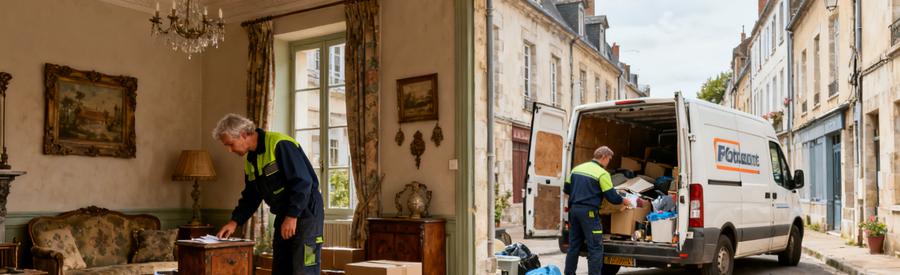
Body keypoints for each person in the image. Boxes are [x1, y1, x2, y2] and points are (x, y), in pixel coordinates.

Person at [213, 114, 324, 275]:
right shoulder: (250, 161)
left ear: (243, 134)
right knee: (281, 268)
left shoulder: (280, 144)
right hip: (283, 214)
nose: (230, 150)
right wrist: (234, 222)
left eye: (230, 144)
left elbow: (303, 182)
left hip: (307, 213)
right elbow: (251, 196)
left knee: (306, 268)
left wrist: (292, 216)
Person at [563, 146, 632, 275]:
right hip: (589, 213)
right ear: (604, 157)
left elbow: (567, 189)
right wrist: (623, 200)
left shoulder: (576, 169)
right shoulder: (602, 173)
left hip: (574, 211)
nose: (608, 163)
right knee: (595, 248)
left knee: (573, 247)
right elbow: (611, 197)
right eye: (609, 160)